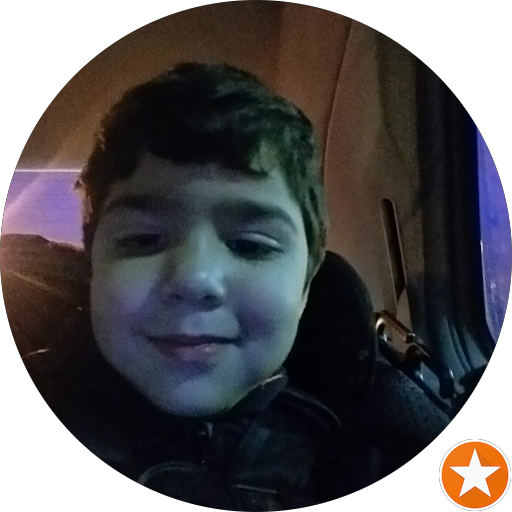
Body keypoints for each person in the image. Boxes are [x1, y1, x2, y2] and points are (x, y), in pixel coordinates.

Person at [20, 62, 445, 509]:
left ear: (306, 288)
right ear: (94, 270)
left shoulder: (379, 446)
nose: (194, 278)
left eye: (250, 245)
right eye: (143, 240)